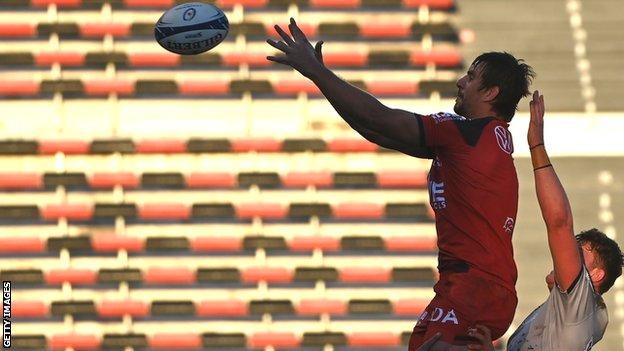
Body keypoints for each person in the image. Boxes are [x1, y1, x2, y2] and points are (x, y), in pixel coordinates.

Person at [266, 18, 535, 350]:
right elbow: (376, 130)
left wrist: (316, 72)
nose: (460, 81)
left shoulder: (464, 133)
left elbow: (379, 119)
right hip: (476, 284)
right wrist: (324, 82)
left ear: (491, 93)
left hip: (474, 285)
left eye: (471, 77)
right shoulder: (480, 140)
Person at [465, 91, 624, 351]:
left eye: (578, 250)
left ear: (596, 275)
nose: (565, 253)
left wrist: (536, 145)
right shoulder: (565, 312)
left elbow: (559, 223)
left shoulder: (579, 304)